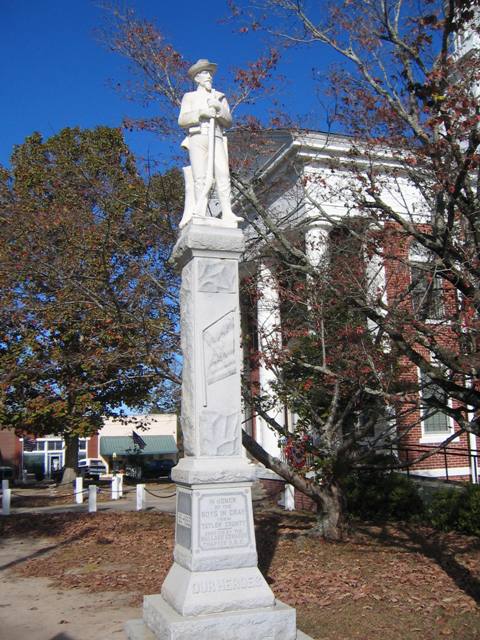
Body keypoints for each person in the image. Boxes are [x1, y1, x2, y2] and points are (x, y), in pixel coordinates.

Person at [178, 58, 242, 225]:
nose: (209, 76)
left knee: (223, 174)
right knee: (200, 177)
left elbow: (228, 120)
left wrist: (218, 108)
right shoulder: (189, 97)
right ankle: (201, 212)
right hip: (197, 137)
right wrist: (201, 113)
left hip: (216, 137)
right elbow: (182, 120)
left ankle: (227, 212)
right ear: (197, 77)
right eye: (205, 73)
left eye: (210, 73)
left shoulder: (219, 96)